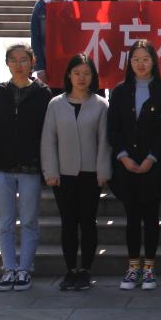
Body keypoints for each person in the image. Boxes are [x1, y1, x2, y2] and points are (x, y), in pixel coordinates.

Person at [0, 43, 53, 291]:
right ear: (7, 64)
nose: (19, 65)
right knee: (5, 222)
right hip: (1, 167)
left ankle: (25, 268)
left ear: (32, 62)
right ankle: (9, 268)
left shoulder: (43, 93)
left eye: (23, 60)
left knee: (29, 220)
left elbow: (48, 133)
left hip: (30, 167)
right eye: (13, 60)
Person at [107, 40, 161, 291]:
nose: (141, 64)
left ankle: (149, 268)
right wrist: (123, 156)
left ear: (154, 61)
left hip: (153, 167)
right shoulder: (120, 91)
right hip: (126, 166)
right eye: (136, 59)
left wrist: (151, 158)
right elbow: (113, 128)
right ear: (129, 63)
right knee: (132, 218)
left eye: (146, 59)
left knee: (151, 216)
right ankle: (133, 266)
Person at [40, 54, 111, 291]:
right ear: (69, 75)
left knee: (88, 221)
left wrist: (103, 171)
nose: (81, 78)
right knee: (68, 222)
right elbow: (48, 140)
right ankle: (70, 269)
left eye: (86, 73)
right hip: (63, 173)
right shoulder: (56, 104)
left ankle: (85, 270)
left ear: (93, 77)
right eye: (77, 73)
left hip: (91, 173)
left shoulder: (101, 104)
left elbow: (105, 141)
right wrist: (50, 171)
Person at [31, 0, 84, 88]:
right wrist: (40, 68)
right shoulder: (41, 6)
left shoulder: (82, 3)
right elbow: (36, 39)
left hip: (78, 65)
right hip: (50, 65)